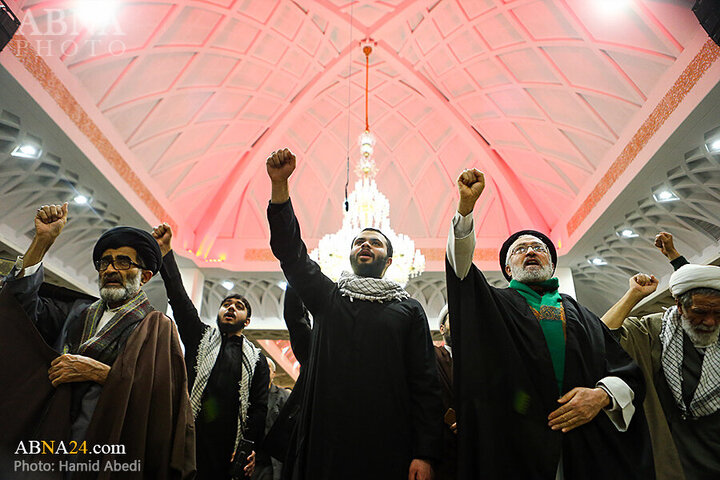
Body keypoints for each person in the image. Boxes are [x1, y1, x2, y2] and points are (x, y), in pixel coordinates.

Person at [445, 169, 654, 479]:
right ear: (507, 267)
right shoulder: (495, 305)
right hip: (514, 446)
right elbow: (461, 273)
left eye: (539, 248)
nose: (530, 251)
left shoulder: (581, 314)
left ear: (552, 263)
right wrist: (465, 211)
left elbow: (626, 372)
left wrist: (601, 396)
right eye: (519, 250)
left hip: (585, 444)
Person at [265, 148, 442, 480]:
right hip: (325, 445)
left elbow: (424, 384)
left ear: (389, 261)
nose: (365, 245)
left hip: (390, 444)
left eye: (375, 243)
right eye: (359, 241)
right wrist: (280, 187)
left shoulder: (408, 309)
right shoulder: (329, 297)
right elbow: (290, 251)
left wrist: (425, 452)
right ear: (348, 255)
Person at [0, 203, 195, 479]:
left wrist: (101, 373)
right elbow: (19, 309)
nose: (111, 269)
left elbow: (167, 402)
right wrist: (42, 242)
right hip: (55, 440)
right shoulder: (77, 312)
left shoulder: (158, 328)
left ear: (145, 277)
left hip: (113, 447)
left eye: (124, 262)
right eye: (105, 262)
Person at [153, 223, 269, 479]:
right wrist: (166, 254)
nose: (231, 308)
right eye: (226, 304)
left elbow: (259, 407)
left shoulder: (258, 359)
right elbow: (180, 300)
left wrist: (249, 448)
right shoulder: (200, 337)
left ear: (246, 321)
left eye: (239, 306)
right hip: (189, 435)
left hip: (228, 447)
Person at [602, 232, 720, 479]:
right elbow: (603, 335)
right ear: (678, 305)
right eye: (699, 312)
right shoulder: (655, 331)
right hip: (680, 457)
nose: (709, 322)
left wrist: (675, 256)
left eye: (718, 313)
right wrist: (633, 295)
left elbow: (693, 280)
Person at [253, 358, 291, 480]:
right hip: (251, 459)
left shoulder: (284, 396)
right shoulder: (250, 395)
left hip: (271, 462)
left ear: (274, 373)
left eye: (267, 368)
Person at [434, 306, 457, 480]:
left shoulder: (481, 360)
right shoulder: (431, 355)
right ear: (442, 328)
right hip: (441, 448)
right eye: (453, 318)